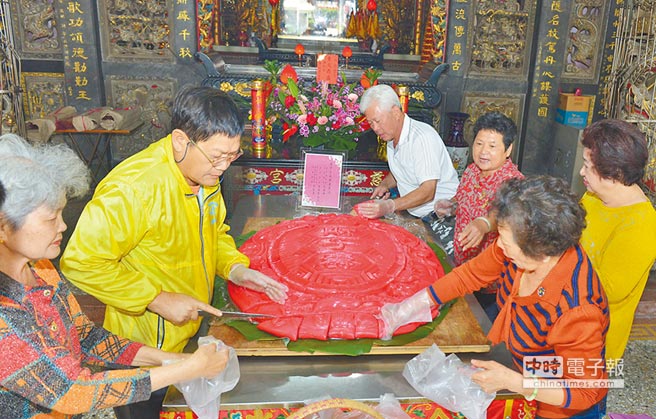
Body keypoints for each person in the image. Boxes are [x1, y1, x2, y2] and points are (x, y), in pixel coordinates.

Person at [60, 86, 288, 418]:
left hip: (192, 326)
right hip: (144, 343)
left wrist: (236, 269)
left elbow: (215, 234)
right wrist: (157, 298)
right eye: (217, 156)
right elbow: (81, 262)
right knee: (144, 412)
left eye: (232, 155)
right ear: (181, 140)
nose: (223, 166)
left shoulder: (205, 176)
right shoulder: (133, 189)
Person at [0, 134, 230, 418]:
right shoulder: (5, 317)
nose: (62, 226)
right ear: (3, 228)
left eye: (61, 213)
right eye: (50, 218)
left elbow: (85, 337)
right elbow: (73, 390)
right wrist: (187, 369)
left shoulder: (42, 272)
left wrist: (170, 359)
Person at [381, 176, 609, 419]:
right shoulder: (521, 247)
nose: (499, 244)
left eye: (506, 240)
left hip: (559, 405)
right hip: (522, 370)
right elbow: (469, 275)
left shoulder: (577, 309)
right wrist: (411, 306)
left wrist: (516, 382)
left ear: (541, 252)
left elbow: (584, 390)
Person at [578, 119, 656, 361]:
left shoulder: (642, 224)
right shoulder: (594, 195)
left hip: (592, 342)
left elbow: (606, 290)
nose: (582, 172)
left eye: (588, 166)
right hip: (563, 325)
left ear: (615, 174)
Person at [433, 112, 523, 320]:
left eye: (492, 146)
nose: (483, 152)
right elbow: (463, 199)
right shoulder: (472, 171)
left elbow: (501, 213)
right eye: (479, 144)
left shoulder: (514, 182)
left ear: (508, 149)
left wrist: (483, 224)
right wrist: (451, 205)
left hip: (492, 286)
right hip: (463, 270)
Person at [354, 84, 459, 219]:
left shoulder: (421, 138)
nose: (375, 128)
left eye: (378, 121)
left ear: (396, 112)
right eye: (371, 123)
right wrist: (385, 184)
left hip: (442, 216)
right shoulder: (391, 135)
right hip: (416, 214)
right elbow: (403, 169)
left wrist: (389, 206)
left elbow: (428, 191)